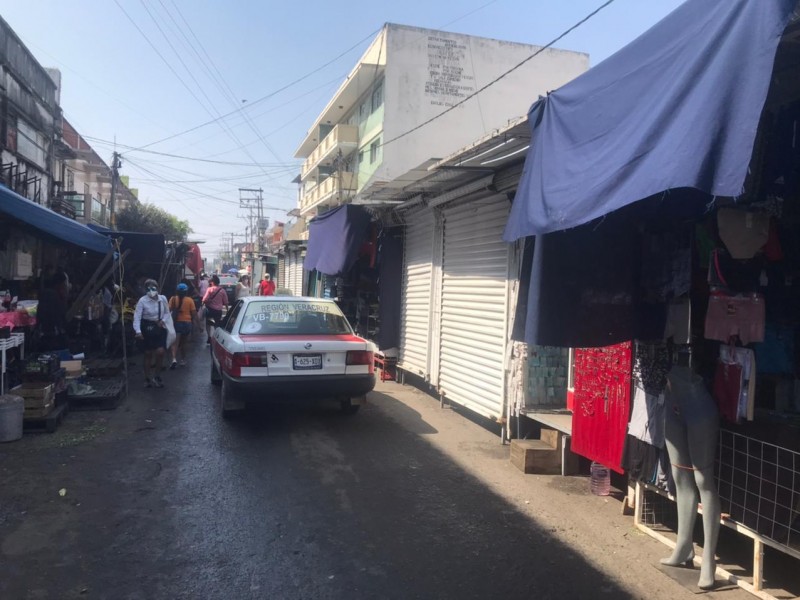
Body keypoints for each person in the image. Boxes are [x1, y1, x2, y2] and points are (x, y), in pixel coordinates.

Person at [659, 365, 721, 590]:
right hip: (671, 399)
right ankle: (684, 545)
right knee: (680, 476)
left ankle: (708, 559)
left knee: (703, 480)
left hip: (697, 403)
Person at [133, 279, 169, 388]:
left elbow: (167, 312)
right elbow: (137, 317)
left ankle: (157, 376)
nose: (151, 291)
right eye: (148, 288)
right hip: (146, 328)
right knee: (148, 354)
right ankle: (147, 377)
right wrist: (138, 331)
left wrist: (163, 320)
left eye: (153, 288)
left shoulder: (163, 299)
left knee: (160, 352)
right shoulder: (142, 301)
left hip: (159, 328)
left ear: (157, 289)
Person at [37, 271, 69, 351]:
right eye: (64, 284)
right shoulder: (52, 295)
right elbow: (56, 315)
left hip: (47, 331)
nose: (65, 286)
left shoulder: (49, 293)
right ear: (59, 284)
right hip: (51, 333)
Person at [168, 283, 196, 368]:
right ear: (186, 292)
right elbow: (193, 313)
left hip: (176, 323)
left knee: (174, 342)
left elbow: (168, 311)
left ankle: (173, 359)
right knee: (184, 343)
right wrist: (194, 323)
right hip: (187, 323)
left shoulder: (173, 299)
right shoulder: (190, 300)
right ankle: (183, 360)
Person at [202, 274, 228, 344]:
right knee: (217, 324)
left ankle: (209, 337)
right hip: (218, 311)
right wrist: (228, 310)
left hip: (210, 310)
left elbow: (204, 299)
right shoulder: (222, 290)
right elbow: (226, 302)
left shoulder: (209, 289)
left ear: (212, 282)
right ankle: (217, 338)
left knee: (208, 324)